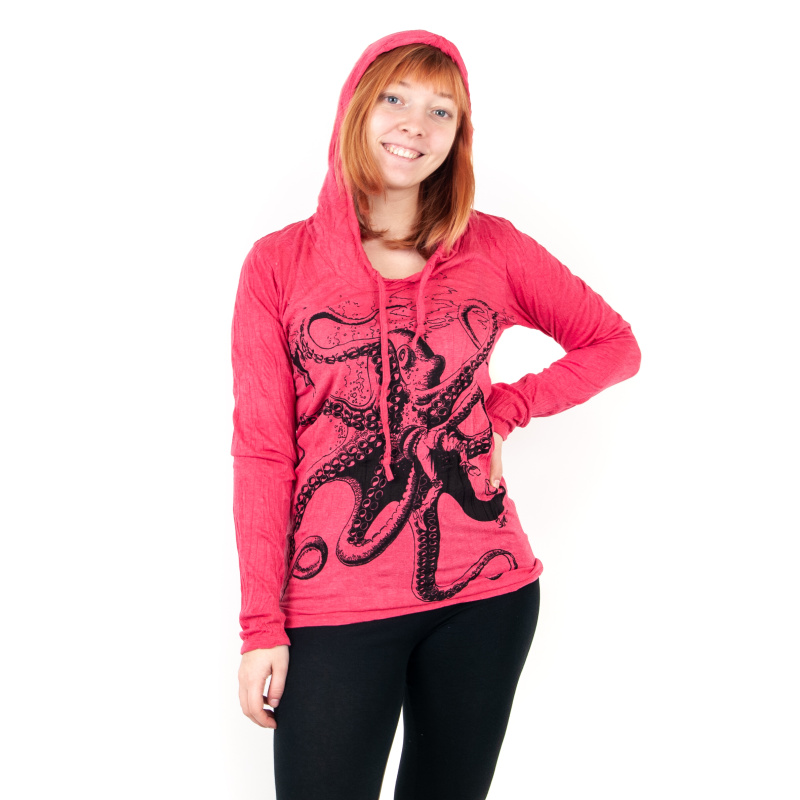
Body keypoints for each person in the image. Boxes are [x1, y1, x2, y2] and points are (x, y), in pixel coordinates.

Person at [230, 30, 641, 800]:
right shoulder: (278, 264)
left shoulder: (491, 247)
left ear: (459, 134)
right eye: (395, 98)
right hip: (331, 605)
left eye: (440, 111)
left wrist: (507, 407)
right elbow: (262, 450)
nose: (415, 125)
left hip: (486, 595)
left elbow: (614, 345)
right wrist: (261, 627)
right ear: (356, 107)